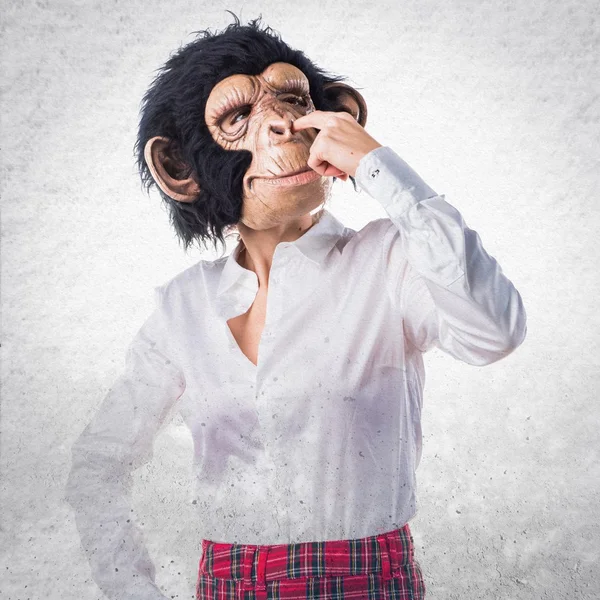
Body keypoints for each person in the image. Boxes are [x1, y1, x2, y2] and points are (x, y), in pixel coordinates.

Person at [65, 14, 527, 600]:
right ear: (181, 170)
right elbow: (100, 465)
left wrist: (381, 167)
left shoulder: (387, 260)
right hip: (228, 583)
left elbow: (495, 332)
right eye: (239, 117)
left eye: (292, 100)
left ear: (338, 118)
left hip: (369, 579)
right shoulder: (186, 306)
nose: (282, 125)